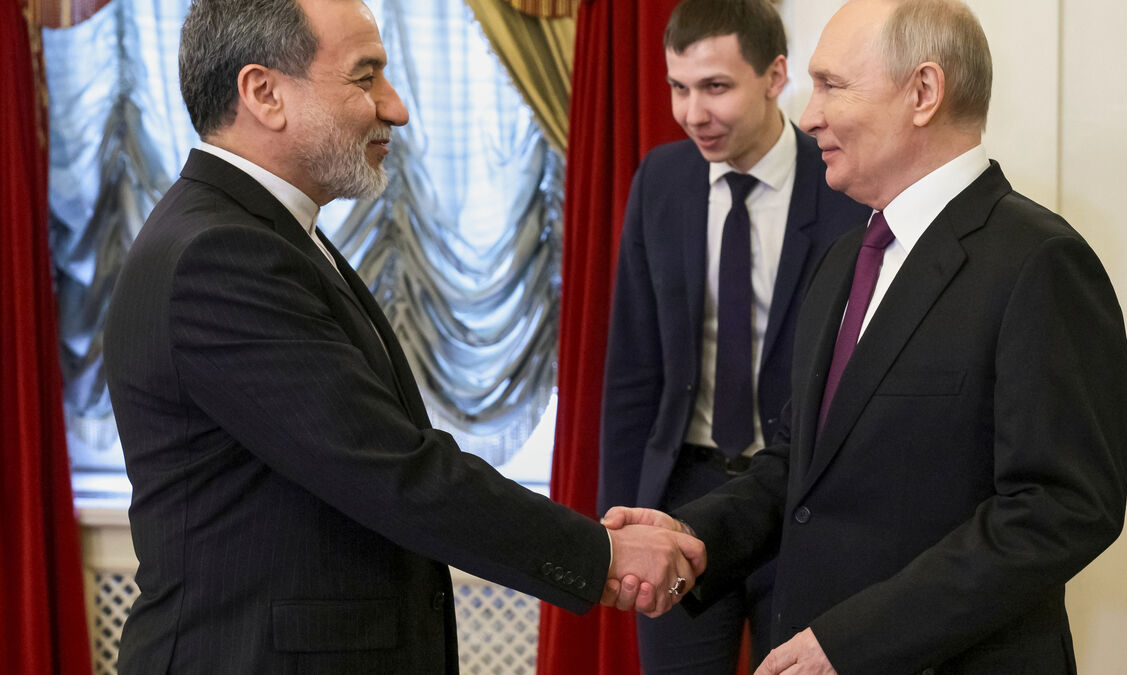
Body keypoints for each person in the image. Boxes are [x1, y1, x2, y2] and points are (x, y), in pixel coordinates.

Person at [103, 0, 702, 671]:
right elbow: (387, 466)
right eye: (365, 78)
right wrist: (603, 554)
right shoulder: (220, 255)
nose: (396, 107)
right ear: (264, 93)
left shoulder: (259, 233)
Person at [604, 0, 1127, 673]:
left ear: (923, 92)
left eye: (831, 85)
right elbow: (800, 460)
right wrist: (695, 534)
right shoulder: (847, 258)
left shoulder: (1040, 261)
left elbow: (1060, 510)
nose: (808, 116)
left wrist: (852, 641)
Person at [597, 1, 868, 671]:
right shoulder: (661, 180)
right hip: (683, 500)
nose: (693, 113)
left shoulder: (845, 186)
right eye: (678, 87)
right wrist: (618, 523)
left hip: (803, 501)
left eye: (715, 87)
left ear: (775, 76)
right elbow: (633, 365)